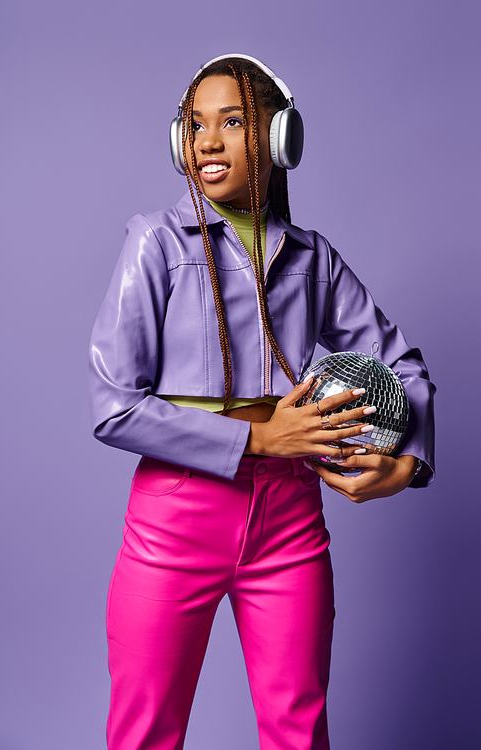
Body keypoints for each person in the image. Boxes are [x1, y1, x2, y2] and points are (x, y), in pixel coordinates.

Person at [89, 54, 435, 750]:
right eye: (195, 125)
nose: (208, 140)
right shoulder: (153, 242)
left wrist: (407, 465)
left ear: (280, 140)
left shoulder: (313, 257)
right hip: (175, 518)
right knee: (145, 732)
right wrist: (255, 439)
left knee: (299, 732)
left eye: (233, 120)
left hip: (290, 521)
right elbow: (112, 405)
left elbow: (404, 364)